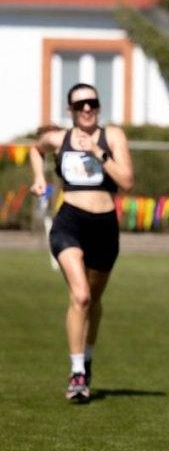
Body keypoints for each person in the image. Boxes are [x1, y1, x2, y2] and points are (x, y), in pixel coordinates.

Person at [29, 83, 135, 402]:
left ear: (98, 106)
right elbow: (36, 149)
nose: (87, 108)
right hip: (69, 223)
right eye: (79, 105)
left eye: (92, 102)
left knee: (95, 300)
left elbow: (127, 182)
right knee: (82, 296)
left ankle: (86, 360)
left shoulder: (112, 136)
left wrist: (98, 153)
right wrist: (39, 178)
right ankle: (76, 374)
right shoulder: (58, 138)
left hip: (104, 227)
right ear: (71, 110)